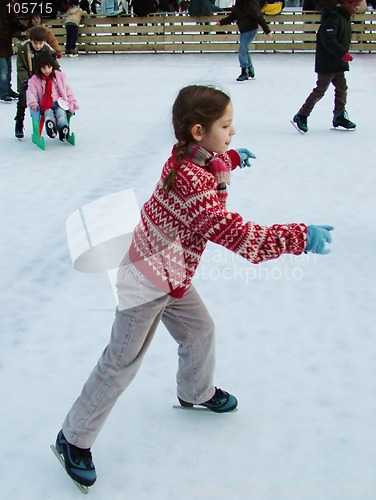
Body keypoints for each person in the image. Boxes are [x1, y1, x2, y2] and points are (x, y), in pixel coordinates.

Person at [54, 84, 334, 489]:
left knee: (200, 330)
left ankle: (195, 392)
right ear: (199, 132)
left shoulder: (191, 158)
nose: (233, 132)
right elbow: (239, 235)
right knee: (121, 362)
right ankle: (72, 437)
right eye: (226, 125)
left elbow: (211, 167)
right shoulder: (191, 183)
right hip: (148, 279)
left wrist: (233, 159)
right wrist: (298, 237)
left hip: (172, 273)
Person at [292, 0, 361, 133]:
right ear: (347, 4)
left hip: (338, 61)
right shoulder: (333, 17)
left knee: (342, 88)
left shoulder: (344, 17)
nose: (356, 9)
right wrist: (342, 53)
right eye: (355, 6)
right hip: (328, 61)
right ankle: (301, 115)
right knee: (321, 89)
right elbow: (328, 38)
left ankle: (339, 115)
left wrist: (342, 55)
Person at [14, 26, 60, 139]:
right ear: (31, 40)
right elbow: (21, 67)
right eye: (35, 43)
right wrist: (25, 81)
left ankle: (49, 123)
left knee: (44, 103)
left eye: (41, 43)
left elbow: (56, 67)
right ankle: (19, 122)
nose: (38, 46)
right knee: (23, 101)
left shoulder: (48, 50)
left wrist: (58, 76)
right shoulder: (24, 49)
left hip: (42, 81)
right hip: (27, 79)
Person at [26, 53, 78, 141]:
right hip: (45, 104)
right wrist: (33, 103)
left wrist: (71, 100)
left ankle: (63, 129)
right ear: (39, 68)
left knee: (61, 114)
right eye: (44, 68)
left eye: (49, 67)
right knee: (48, 114)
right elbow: (31, 93)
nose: (47, 70)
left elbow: (67, 89)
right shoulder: (35, 79)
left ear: (52, 66)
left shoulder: (59, 76)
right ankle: (51, 127)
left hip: (59, 102)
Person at [216, 0, 273, 81]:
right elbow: (233, 16)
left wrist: (267, 31)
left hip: (251, 29)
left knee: (242, 50)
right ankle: (250, 69)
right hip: (244, 29)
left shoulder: (250, 4)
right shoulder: (239, 3)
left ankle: (244, 72)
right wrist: (222, 22)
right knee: (244, 49)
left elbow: (258, 17)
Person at [0, 0, 26, 103]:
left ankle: (8, 89)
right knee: (3, 71)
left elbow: (13, 22)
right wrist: (15, 34)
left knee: (8, 69)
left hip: (6, 45)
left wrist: (22, 29)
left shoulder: (8, 8)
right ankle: (3, 92)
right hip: (1, 46)